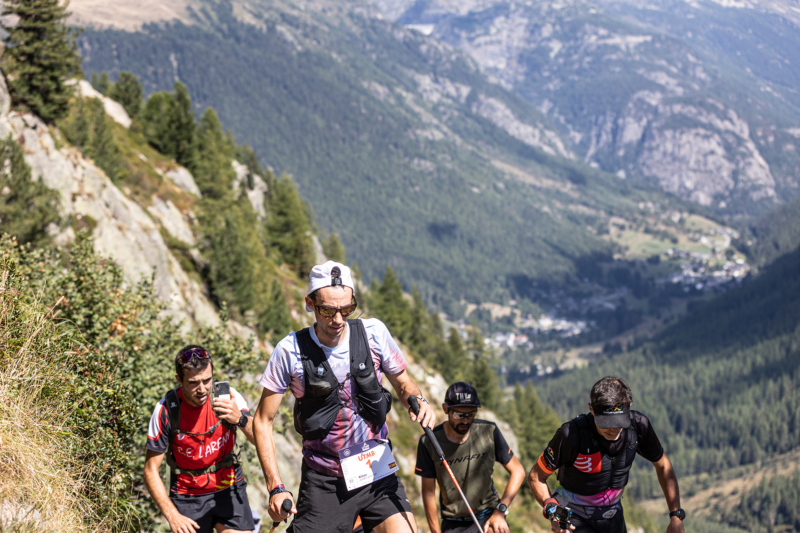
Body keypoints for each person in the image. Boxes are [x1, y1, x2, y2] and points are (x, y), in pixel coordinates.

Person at [253, 261, 436, 533]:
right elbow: (262, 420)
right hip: (325, 481)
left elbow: (403, 383)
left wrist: (419, 400)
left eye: (346, 309)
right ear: (310, 303)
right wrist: (275, 487)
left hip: (377, 469)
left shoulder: (373, 334)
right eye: (327, 310)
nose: (338, 320)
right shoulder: (289, 351)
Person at [528, 376, 685, 533]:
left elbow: (664, 466)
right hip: (571, 514)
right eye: (606, 423)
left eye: (620, 422)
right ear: (591, 409)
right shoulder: (571, 435)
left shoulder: (638, 425)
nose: (614, 429)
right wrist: (551, 509)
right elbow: (536, 476)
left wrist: (675, 515)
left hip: (612, 515)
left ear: (629, 406)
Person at [144, 345, 257, 533]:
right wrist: (172, 516)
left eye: (207, 380)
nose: (202, 389)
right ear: (179, 380)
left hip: (228, 486)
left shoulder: (228, 397)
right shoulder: (166, 409)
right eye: (193, 383)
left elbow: (259, 438)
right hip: (187, 494)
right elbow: (150, 470)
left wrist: (241, 419)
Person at [415, 382, 525, 533]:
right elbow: (428, 494)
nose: (465, 421)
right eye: (459, 415)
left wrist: (500, 511)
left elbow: (518, 471)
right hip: (453, 524)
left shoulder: (489, 431)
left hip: (489, 516)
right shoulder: (429, 442)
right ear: (446, 409)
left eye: (471, 414)